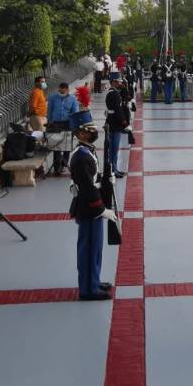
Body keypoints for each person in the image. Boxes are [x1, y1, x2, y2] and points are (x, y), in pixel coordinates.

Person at [69, 109, 117, 301]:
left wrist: (107, 178)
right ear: (80, 133)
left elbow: (93, 178)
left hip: (90, 203)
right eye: (89, 130)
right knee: (89, 249)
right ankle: (88, 289)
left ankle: (94, 281)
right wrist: (101, 209)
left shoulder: (86, 150)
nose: (93, 133)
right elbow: (87, 187)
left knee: (95, 248)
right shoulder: (81, 156)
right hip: (89, 206)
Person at [47, 82, 78, 175]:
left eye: (66, 90)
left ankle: (64, 164)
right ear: (59, 89)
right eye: (62, 90)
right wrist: (49, 122)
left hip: (68, 124)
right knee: (56, 145)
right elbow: (49, 110)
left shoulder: (72, 99)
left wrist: (74, 124)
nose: (64, 91)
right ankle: (57, 167)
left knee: (67, 145)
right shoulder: (53, 98)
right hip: (56, 123)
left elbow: (74, 112)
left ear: (68, 89)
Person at [105, 72, 128, 178]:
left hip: (111, 122)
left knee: (113, 148)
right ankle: (113, 170)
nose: (120, 83)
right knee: (114, 148)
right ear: (114, 82)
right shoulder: (114, 93)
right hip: (115, 123)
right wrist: (123, 121)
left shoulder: (112, 92)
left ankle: (113, 169)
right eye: (118, 81)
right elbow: (117, 109)